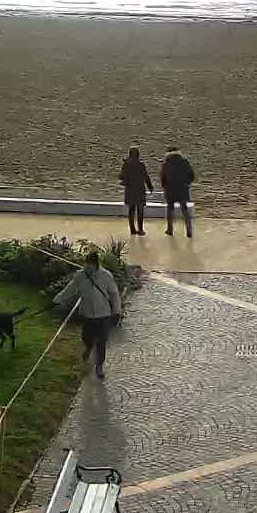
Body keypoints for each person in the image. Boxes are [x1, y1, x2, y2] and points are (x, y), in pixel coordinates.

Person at [54, 250, 122, 380]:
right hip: (87, 314)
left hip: (103, 314)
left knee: (101, 341)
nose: (88, 267)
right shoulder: (80, 275)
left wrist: (116, 310)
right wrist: (57, 300)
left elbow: (114, 294)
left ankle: (99, 366)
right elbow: (70, 289)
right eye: (86, 264)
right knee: (86, 337)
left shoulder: (106, 276)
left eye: (90, 265)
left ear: (96, 265)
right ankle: (89, 347)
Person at [160, 145, 196, 237]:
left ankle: (169, 229)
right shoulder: (185, 162)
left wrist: (165, 187)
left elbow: (163, 179)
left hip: (170, 190)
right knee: (184, 209)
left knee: (170, 209)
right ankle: (189, 230)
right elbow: (191, 175)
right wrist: (187, 183)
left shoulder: (166, 164)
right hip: (182, 188)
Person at [120, 146, 152, 236]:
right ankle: (140, 229)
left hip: (130, 189)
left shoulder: (126, 164)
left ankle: (132, 230)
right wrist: (150, 187)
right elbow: (146, 177)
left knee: (131, 210)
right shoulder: (141, 165)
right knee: (140, 210)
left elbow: (121, 176)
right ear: (138, 155)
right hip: (140, 189)